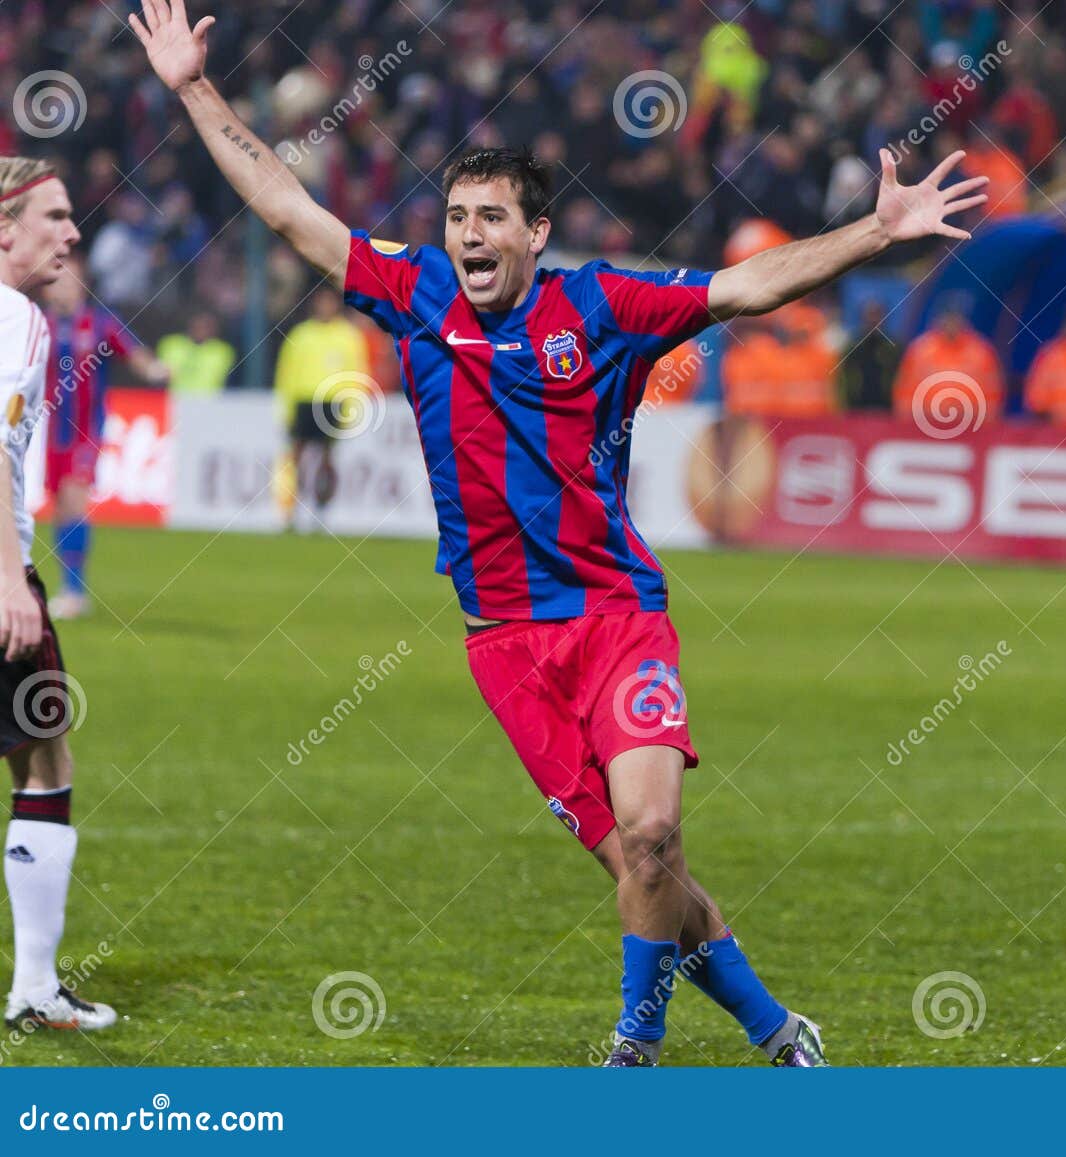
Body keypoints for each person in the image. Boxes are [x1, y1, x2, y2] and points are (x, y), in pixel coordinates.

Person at [132, 0, 986, 1066]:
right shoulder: (416, 291)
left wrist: (874, 230)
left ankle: (634, 1042)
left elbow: (751, 283)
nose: (469, 235)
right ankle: (776, 1028)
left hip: (616, 614)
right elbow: (283, 205)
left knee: (655, 832)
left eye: (492, 217)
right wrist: (189, 87)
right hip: (506, 643)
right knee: (641, 868)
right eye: (456, 215)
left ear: (537, 232)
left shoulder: (605, 304)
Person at [0, 156, 115, 1031]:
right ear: (5, 228)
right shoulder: (18, 321)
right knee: (44, 763)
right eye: (55, 217)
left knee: (44, 750)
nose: (72, 234)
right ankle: (35, 987)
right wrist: (11, 578)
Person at [36, 252, 170, 621]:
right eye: (58, 280)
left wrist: (155, 369)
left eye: (69, 279)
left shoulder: (100, 323)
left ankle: (75, 593)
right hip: (51, 435)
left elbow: (134, 353)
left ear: (83, 285)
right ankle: (67, 587)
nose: (62, 286)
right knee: (61, 508)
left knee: (75, 500)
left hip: (85, 433)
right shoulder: (40, 324)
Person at [272, 284, 370, 531]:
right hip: (305, 400)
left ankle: (322, 509)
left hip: (332, 403)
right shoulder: (301, 335)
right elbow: (286, 373)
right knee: (296, 458)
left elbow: (357, 373)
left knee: (327, 460)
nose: (325, 307)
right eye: (321, 302)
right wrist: (287, 409)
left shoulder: (348, 335)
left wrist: (352, 406)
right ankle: (291, 510)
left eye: (329, 302)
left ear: (336, 305)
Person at [892, 306, 1006, 426]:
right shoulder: (920, 350)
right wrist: (905, 421)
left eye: (955, 320)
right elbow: (905, 389)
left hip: (971, 424)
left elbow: (993, 390)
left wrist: (988, 421)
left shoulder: (980, 352)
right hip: (925, 424)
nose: (951, 325)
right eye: (947, 320)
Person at [156, 310, 236, 397]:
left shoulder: (223, 350)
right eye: (198, 324)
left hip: (210, 403)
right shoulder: (170, 344)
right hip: (175, 401)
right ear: (190, 324)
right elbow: (164, 375)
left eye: (206, 325)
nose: (201, 329)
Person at [840, 300, 898, 412]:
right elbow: (843, 380)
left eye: (877, 315)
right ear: (862, 318)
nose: (873, 320)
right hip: (857, 410)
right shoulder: (852, 346)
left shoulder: (894, 347)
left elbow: (899, 380)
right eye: (870, 315)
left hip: (886, 410)